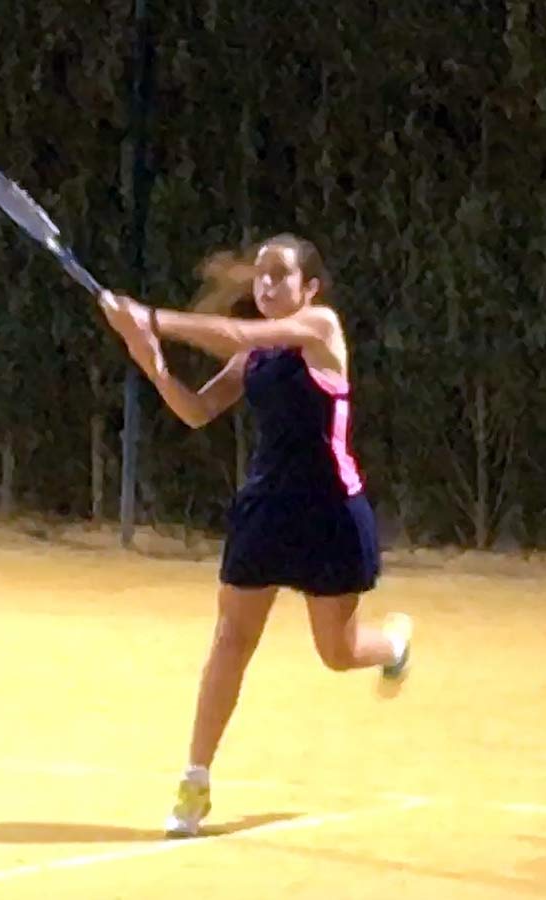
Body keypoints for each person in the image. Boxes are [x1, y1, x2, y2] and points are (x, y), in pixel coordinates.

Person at [101, 233, 412, 838]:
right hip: (266, 510)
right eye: (261, 274)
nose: (267, 285)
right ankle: (195, 781)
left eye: (280, 275)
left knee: (337, 652)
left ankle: (394, 645)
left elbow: (236, 333)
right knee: (230, 639)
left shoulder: (321, 328)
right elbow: (196, 411)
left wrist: (154, 318)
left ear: (309, 288)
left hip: (329, 512)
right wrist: (149, 357)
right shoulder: (254, 359)